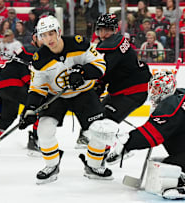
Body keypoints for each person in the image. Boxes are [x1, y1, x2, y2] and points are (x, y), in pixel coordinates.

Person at [18, 15, 115, 184]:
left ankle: (93, 165)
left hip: (84, 94)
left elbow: (100, 65)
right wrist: (30, 109)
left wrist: (83, 73)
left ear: (58, 32)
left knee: (100, 130)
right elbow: (37, 88)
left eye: (51, 33)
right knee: (44, 130)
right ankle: (52, 165)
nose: (49, 39)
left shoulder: (79, 43)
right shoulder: (39, 60)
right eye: (44, 35)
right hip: (56, 97)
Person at [106, 71, 185, 200]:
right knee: (170, 166)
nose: (154, 92)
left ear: (167, 88)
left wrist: (128, 142)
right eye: (153, 87)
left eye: (158, 88)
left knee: (168, 171)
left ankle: (181, 185)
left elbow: (153, 135)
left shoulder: (170, 106)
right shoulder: (178, 96)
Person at [75, 13, 152, 148]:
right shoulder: (111, 44)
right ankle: (91, 139)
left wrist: (83, 74)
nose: (104, 33)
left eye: (108, 30)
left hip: (132, 92)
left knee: (105, 123)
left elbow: (103, 70)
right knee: (97, 116)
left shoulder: (114, 44)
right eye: (101, 30)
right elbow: (107, 72)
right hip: (119, 91)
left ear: (115, 30)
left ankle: (119, 146)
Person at [0, 30, 43, 155]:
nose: (45, 40)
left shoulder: (26, 49)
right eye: (42, 37)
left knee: (7, 117)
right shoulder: (34, 51)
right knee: (42, 106)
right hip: (14, 85)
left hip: (2, 86)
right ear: (34, 38)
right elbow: (24, 74)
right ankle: (35, 139)